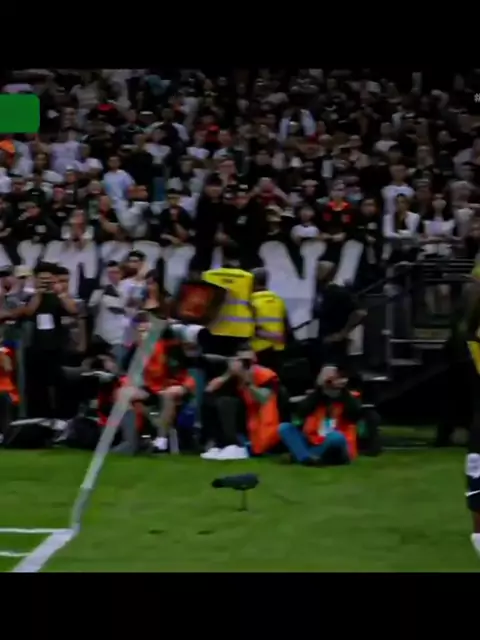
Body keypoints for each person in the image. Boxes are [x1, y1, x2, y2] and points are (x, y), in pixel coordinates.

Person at [115, 314, 196, 454]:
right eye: (140, 331)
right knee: (123, 393)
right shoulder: (136, 349)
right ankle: (130, 440)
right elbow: (125, 372)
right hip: (150, 389)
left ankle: (161, 440)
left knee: (168, 394)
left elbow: (179, 372)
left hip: (175, 385)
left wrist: (182, 387)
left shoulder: (169, 346)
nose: (142, 335)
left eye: (145, 331)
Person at [201, 344, 289, 461]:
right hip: (245, 417)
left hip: (264, 419)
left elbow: (264, 399)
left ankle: (237, 446)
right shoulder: (234, 375)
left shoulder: (266, 374)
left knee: (228, 404)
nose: (246, 365)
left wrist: (248, 383)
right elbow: (208, 390)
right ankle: (226, 444)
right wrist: (228, 374)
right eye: (242, 361)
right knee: (220, 402)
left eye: (248, 361)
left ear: (255, 359)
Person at [23, 262, 77, 418]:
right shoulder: (30, 295)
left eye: (49, 279)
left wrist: (59, 292)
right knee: (37, 386)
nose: (46, 282)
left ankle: (62, 416)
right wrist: (39, 292)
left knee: (60, 383)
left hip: (56, 347)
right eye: (42, 279)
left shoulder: (59, 296)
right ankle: (39, 417)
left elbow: (73, 310)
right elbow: (28, 312)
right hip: (35, 347)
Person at [279, 365, 361, 466]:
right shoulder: (316, 397)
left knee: (336, 437)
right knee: (284, 427)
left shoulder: (348, 398)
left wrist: (342, 390)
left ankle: (302, 456)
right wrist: (319, 390)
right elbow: (301, 412)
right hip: (314, 441)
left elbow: (354, 415)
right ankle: (306, 458)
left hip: (336, 443)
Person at [311, 261, 366, 373]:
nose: (316, 273)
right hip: (323, 341)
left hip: (334, 344)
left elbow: (360, 313)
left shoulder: (338, 292)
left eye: (320, 270)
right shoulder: (322, 292)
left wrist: (342, 333)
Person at [202, 250, 255, 357]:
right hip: (241, 330)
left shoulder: (208, 275)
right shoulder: (248, 277)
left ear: (223, 258)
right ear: (238, 259)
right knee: (236, 361)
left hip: (214, 327)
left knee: (213, 360)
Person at [250, 267, 290, 372]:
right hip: (278, 350)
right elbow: (287, 326)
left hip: (259, 351)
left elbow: (249, 328)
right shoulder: (278, 300)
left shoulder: (250, 301)